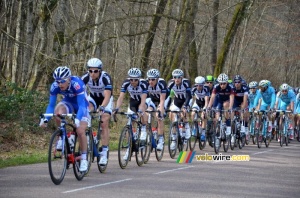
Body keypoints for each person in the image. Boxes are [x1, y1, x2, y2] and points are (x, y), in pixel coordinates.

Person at [40, 66, 90, 172]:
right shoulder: (54, 86)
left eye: (62, 81)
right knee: (58, 111)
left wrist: (77, 119)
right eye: (57, 81)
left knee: (80, 130)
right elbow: (51, 105)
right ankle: (61, 136)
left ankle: (84, 158)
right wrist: (46, 119)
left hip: (81, 105)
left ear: (68, 79)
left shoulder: (77, 84)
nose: (60, 84)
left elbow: (81, 105)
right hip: (68, 102)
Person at [81, 58, 113, 166]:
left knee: (104, 121)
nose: (92, 73)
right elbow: (80, 93)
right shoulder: (85, 77)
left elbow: (108, 96)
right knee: (86, 111)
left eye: (95, 71)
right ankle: (89, 133)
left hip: (106, 100)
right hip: (93, 98)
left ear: (100, 70)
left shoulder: (105, 78)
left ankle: (104, 152)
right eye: (90, 71)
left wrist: (103, 107)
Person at [113, 68, 149, 152]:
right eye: (131, 79)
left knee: (142, 109)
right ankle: (130, 142)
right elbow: (121, 97)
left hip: (144, 100)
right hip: (133, 101)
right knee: (130, 119)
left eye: (135, 80)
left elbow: (143, 100)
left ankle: (143, 129)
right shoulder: (126, 83)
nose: (133, 81)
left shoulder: (143, 84)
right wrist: (116, 108)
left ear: (139, 79)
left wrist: (140, 111)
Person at [167, 69, 192, 150]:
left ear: (182, 78)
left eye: (178, 77)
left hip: (186, 100)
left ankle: (187, 127)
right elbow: (167, 96)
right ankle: (174, 140)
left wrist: (185, 106)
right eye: (175, 77)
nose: (176, 79)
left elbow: (189, 96)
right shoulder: (170, 83)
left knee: (183, 113)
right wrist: (165, 107)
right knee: (171, 114)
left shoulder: (186, 82)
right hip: (177, 100)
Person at [146, 69, 168, 151]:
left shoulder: (162, 83)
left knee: (159, 116)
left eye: (153, 79)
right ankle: (152, 131)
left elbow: (162, 100)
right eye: (149, 79)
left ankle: (161, 140)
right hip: (153, 99)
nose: (150, 81)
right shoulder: (146, 84)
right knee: (147, 113)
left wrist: (160, 111)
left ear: (157, 79)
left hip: (163, 99)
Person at [190, 76, 209, 141]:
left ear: (203, 84)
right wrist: (189, 106)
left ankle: (203, 132)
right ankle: (195, 127)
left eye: (200, 85)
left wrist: (205, 109)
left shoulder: (206, 88)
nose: (198, 87)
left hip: (204, 103)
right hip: (197, 102)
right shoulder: (193, 88)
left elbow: (206, 100)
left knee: (203, 116)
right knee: (193, 114)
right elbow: (191, 98)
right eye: (197, 85)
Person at [232, 75, 249, 140]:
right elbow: (231, 99)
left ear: (241, 82)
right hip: (236, 101)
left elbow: (245, 100)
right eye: (235, 82)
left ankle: (244, 127)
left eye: (238, 82)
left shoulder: (245, 88)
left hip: (243, 101)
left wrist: (242, 109)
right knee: (232, 115)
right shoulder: (232, 88)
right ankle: (233, 133)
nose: (237, 83)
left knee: (243, 111)